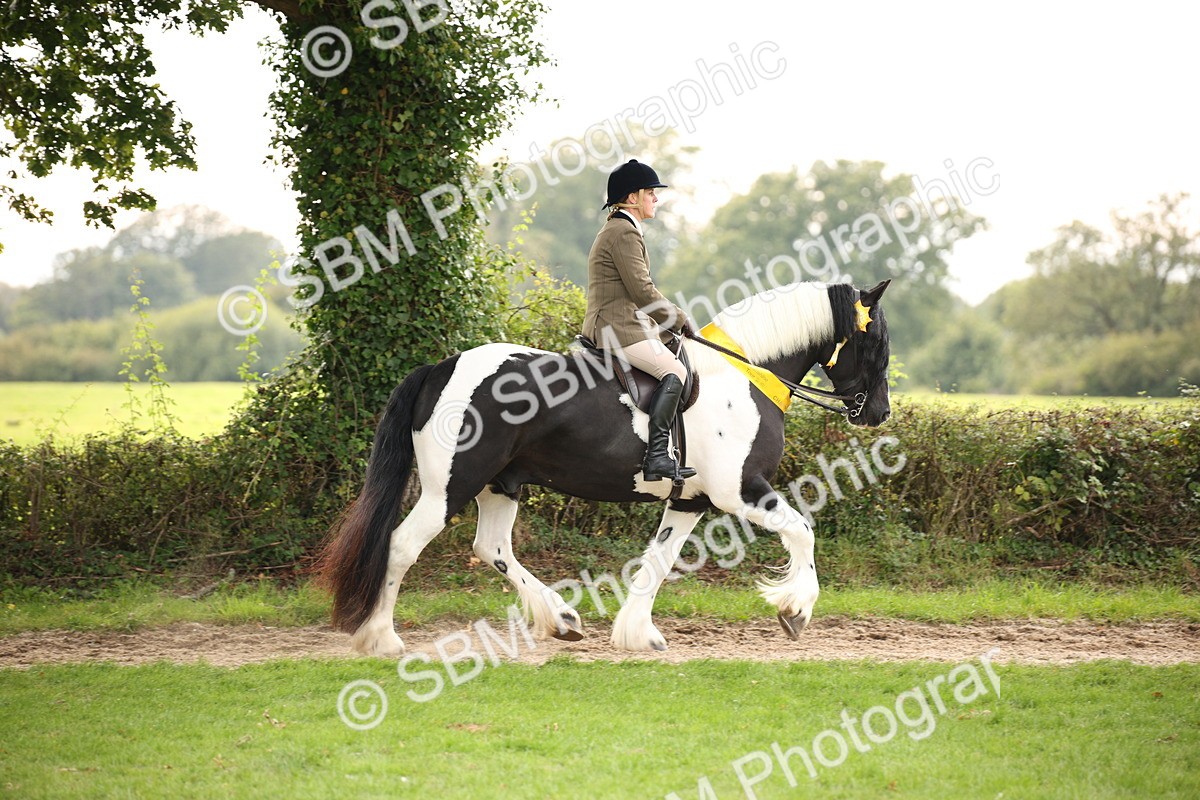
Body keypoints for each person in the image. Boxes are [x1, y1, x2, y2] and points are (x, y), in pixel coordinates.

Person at [583, 159, 697, 483]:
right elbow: (643, 292)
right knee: (675, 371)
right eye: (650, 192)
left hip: (620, 323)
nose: (656, 198)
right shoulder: (623, 232)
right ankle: (657, 456)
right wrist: (679, 319)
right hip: (615, 328)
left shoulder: (621, 229)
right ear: (632, 197)